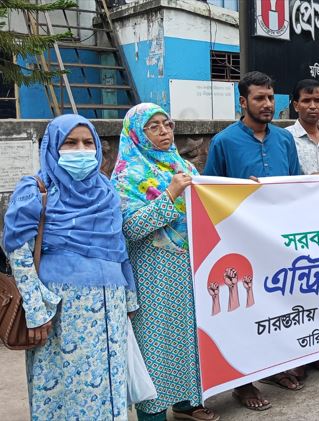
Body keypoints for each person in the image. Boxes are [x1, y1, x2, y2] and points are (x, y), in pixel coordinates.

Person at [3, 114, 137, 420]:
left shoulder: (105, 191)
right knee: (64, 394)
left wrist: (129, 299)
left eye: (88, 143)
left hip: (111, 311)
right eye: (71, 143)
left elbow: (119, 249)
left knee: (109, 389)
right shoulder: (35, 190)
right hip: (59, 311)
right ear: (52, 146)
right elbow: (18, 253)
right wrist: (36, 311)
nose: (81, 150)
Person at [110, 103, 218, 421]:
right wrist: (169, 195)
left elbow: (208, 203)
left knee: (188, 338)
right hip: (152, 270)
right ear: (135, 133)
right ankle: (153, 412)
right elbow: (131, 228)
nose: (164, 131)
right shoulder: (126, 175)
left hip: (188, 266)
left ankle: (186, 402)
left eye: (167, 124)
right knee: (155, 343)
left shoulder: (182, 166)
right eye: (153, 126)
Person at [204, 71, 302, 409]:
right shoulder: (224, 142)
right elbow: (210, 193)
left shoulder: (284, 140)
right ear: (243, 102)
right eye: (259, 98)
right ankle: (243, 384)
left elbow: (296, 185)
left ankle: (274, 368)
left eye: (271, 98)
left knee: (278, 305)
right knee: (243, 312)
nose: (267, 104)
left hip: (279, 241)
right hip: (239, 244)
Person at [284, 79, 319, 375]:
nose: (313, 106)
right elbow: (284, 180)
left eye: (318, 100)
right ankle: (296, 357)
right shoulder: (286, 138)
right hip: (297, 225)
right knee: (296, 292)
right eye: (306, 100)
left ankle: (318, 350)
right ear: (296, 104)